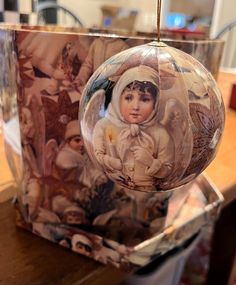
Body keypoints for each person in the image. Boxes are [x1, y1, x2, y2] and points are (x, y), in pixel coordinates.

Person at [92, 65, 174, 190]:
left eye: (145, 99)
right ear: (117, 98)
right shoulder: (104, 126)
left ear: (155, 104)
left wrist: (151, 162)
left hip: (148, 191)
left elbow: (168, 169)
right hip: (113, 188)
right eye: (128, 98)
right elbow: (97, 155)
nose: (135, 106)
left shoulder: (161, 134)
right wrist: (112, 165)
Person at [56, 120, 107, 189]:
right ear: (68, 141)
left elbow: (91, 170)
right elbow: (69, 180)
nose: (81, 144)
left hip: (93, 191)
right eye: (77, 140)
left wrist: (98, 177)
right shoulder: (64, 157)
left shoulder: (85, 155)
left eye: (84, 141)